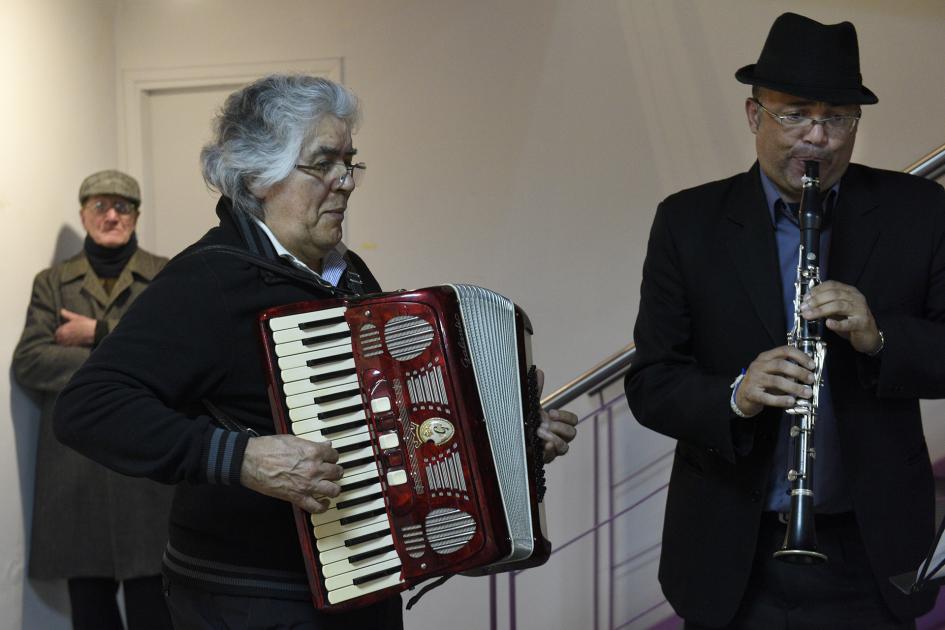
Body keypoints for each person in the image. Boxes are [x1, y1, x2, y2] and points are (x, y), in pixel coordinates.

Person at [52, 75, 578, 629]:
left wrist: (502, 442)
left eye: (349, 162)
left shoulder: (345, 275)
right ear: (257, 174)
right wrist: (240, 458)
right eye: (323, 163)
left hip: (364, 584)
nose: (345, 182)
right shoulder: (209, 279)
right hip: (253, 599)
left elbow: (392, 428)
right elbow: (89, 407)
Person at [626, 12, 945, 630]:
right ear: (754, 116)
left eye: (837, 118)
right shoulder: (687, 223)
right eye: (794, 113)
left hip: (871, 552)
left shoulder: (921, 212)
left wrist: (881, 338)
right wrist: (735, 395)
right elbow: (652, 381)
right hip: (731, 556)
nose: (817, 137)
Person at [13, 170, 174, 630]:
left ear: (137, 215)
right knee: (91, 615)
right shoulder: (53, 282)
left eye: (123, 207)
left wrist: (96, 333)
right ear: (83, 213)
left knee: (155, 611)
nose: (111, 215)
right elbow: (29, 360)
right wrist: (121, 365)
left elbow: (168, 353)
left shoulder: (164, 273)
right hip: (74, 475)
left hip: (147, 470)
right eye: (100, 205)